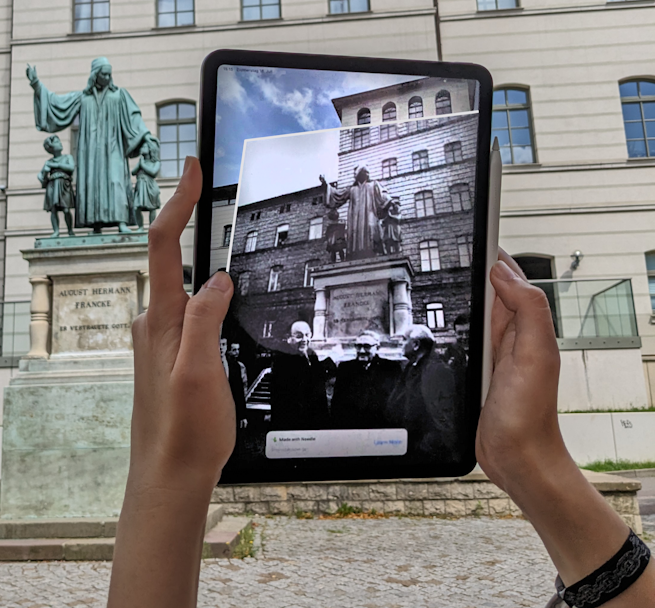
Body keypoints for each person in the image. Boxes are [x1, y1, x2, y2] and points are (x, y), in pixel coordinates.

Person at [109, 158, 654, 608]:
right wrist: (534, 462)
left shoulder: (377, 199)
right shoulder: (350, 200)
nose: (365, 179)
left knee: (370, 236)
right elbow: (337, 207)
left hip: (377, 236)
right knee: (353, 237)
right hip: (356, 238)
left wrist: (168, 481)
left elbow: (384, 207)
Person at [26, 58, 152, 233]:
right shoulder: (82, 98)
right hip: (90, 151)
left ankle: (121, 222)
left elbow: (135, 119)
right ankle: (95, 224)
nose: (108, 77)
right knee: (92, 183)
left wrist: (146, 137)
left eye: (109, 74)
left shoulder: (119, 95)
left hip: (114, 148)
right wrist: (36, 84)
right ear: (95, 75)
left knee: (116, 182)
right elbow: (57, 104)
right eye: (104, 74)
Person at [386, 324, 459, 456]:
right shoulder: (410, 368)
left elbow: (445, 416)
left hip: (427, 449)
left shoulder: (439, 371)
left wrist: (427, 445)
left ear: (415, 345)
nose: (400, 343)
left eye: (404, 339)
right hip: (408, 442)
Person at [269, 320, 333, 430]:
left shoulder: (311, 354)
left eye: (307, 335)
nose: (304, 340)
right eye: (299, 336)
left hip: (313, 418)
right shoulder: (282, 359)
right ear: (290, 338)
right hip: (293, 421)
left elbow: (318, 382)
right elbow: (288, 392)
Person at [331, 330, 402, 430]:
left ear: (377, 348)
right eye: (358, 346)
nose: (362, 351)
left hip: (381, 428)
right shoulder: (345, 368)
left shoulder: (391, 368)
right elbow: (337, 403)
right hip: (352, 429)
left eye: (367, 346)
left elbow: (397, 402)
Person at [37, 135, 76, 238]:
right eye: (57, 142)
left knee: (66, 209)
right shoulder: (48, 162)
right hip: (52, 186)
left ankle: (70, 230)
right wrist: (45, 173)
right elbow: (41, 177)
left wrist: (56, 166)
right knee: (53, 209)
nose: (60, 143)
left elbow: (71, 168)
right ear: (51, 148)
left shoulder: (67, 157)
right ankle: (56, 231)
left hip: (64, 185)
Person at [131, 137, 162, 229]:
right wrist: (140, 163)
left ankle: (151, 227)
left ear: (150, 149)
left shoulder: (155, 162)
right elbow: (133, 172)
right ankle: (140, 227)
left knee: (152, 208)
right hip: (140, 186)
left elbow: (153, 172)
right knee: (136, 207)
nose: (141, 149)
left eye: (144, 147)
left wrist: (142, 165)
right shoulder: (141, 161)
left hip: (150, 186)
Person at [446, 313, 470, 394]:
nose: (464, 337)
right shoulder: (450, 353)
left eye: (468, 332)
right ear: (455, 333)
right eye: (460, 333)